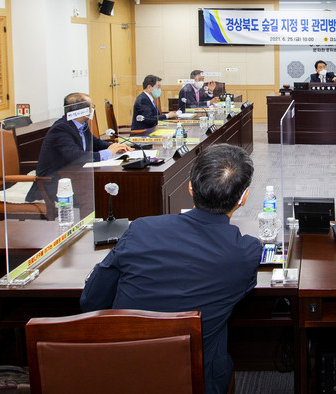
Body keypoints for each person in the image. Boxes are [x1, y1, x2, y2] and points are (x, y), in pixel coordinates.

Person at [80, 144, 262, 394]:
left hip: (122, 376)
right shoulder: (245, 252)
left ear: (190, 187)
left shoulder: (141, 229)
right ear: (244, 198)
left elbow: (91, 301)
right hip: (196, 381)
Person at [26, 93, 132, 202]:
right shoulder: (61, 129)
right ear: (82, 111)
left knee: (104, 190)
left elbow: (94, 142)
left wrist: (114, 147)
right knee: (99, 194)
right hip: (55, 183)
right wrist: (108, 153)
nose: (92, 109)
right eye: (91, 106)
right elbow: (76, 156)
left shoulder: (81, 125)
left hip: (74, 175)